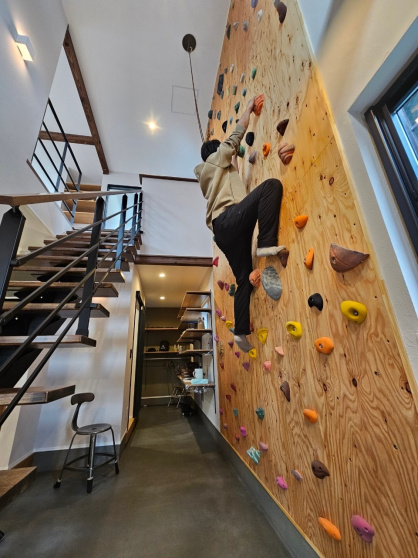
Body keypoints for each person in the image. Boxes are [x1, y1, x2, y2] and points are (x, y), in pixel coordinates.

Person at [194, 97, 284, 353]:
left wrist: (234, 157)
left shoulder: (215, 174)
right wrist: (247, 110)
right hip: (229, 220)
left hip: (226, 231)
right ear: (215, 152)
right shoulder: (214, 160)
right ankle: (266, 244)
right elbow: (235, 137)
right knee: (271, 186)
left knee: (243, 279)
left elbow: (231, 163)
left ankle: (241, 332)